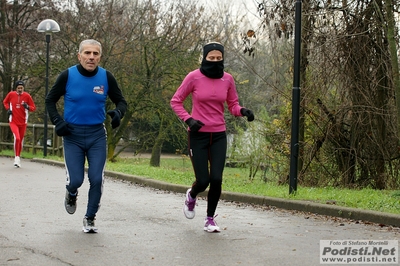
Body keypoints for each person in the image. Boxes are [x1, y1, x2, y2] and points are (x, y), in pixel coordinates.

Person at [170, 42, 254, 233]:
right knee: (203, 181)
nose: (215, 61)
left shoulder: (228, 79)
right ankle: (191, 196)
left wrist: (243, 111)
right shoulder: (194, 77)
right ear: (205, 57)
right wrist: (189, 120)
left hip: (218, 135)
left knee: (216, 179)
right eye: (211, 58)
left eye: (219, 58)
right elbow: (176, 101)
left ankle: (210, 219)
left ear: (223, 58)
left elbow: (232, 105)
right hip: (198, 135)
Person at [45, 39, 127, 233]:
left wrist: (118, 114)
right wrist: (58, 121)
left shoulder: (106, 77)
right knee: (76, 180)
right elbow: (50, 100)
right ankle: (71, 192)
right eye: (87, 53)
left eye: (95, 54)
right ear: (79, 55)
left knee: (96, 178)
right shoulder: (67, 75)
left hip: (97, 135)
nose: (91, 57)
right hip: (72, 135)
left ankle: (90, 218)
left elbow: (121, 101)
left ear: (100, 56)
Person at [3, 80, 36, 168]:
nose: (20, 89)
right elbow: (5, 102)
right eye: (18, 88)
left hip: (23, 122)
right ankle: (16, 158)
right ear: (16, 88)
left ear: (23, 88)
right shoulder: (11, 94)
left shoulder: (27, 96)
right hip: (13, 121)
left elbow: (33, 108)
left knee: (20, 140)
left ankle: (18, 156)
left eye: (21, 88)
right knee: (17, 138)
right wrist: (8, 109)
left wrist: (27, 107)